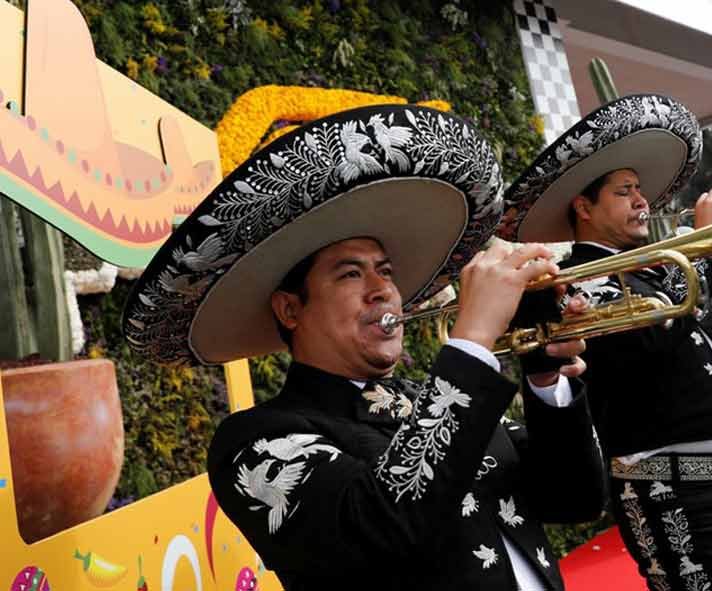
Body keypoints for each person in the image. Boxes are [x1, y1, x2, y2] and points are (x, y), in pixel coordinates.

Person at [123, 105, 604, 590]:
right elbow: (387, 526)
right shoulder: (253, 441)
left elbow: (575, 499)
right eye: (351, 274)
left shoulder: (434, 399)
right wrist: (473, 338)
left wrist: (546, 378)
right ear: (290, 310)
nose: (383, 290)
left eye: (387, 271)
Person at [501, 94, 712, 591]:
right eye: (624, 191)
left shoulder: (659, 270)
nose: (641, 200)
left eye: (640, 190)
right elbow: (651, 343)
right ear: (583, 207)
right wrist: (706, 246)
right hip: (673, 492)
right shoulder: (573, 281)